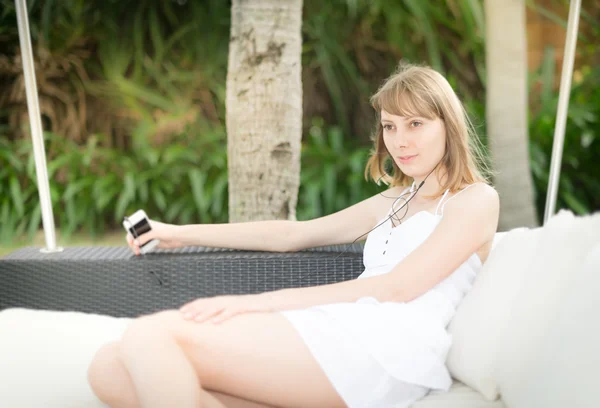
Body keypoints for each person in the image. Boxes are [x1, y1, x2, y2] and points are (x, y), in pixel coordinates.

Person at [87, 63, 499, 408]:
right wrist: (178, 232)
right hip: (348, 327)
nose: (400, 141)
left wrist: (259, 304)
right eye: (390, 126)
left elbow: (395, 287)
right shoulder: (394, 200)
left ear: (448, 125)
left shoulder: (475, 200)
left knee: (150, 335)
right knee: (109, 367)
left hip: (390, 350)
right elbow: (291, 234)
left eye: (415, 124)